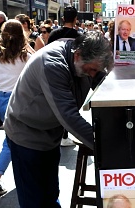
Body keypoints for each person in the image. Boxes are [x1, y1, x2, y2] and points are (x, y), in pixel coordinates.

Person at [5, 31, 113, 208]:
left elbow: (100, 80)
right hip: (25, 134)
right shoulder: (52, 64)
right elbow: (69, 116)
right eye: (91, 70)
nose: (92, 74)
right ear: (77, 56)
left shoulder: (83, 61)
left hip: (47, 133)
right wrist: (105, 146)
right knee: (33, 201)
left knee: (50, 195)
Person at [0, 19, 31, 195]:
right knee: (17, 141)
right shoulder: (26, 56)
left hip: (4, 99)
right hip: (23, 100)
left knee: (12, 140)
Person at [47, 6, 82, 147]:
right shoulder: (79, 36)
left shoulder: (54, 34)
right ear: (75, 19)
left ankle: (56, 133)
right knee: (69, 104)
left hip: (55, 72)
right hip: (72, 74)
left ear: (62, 19)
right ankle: (64, 134)